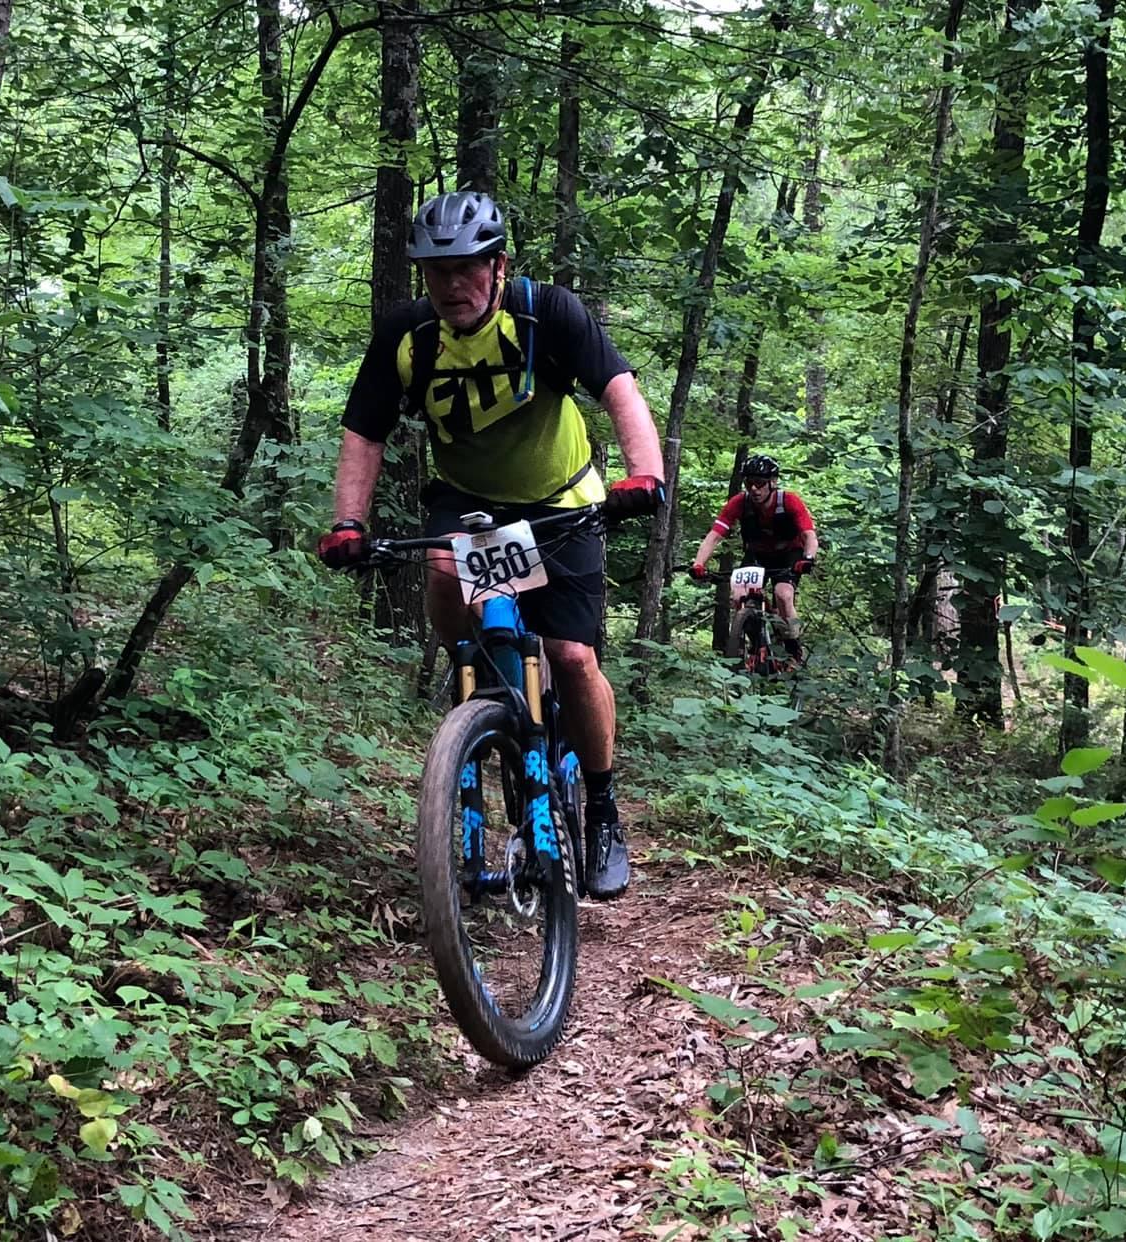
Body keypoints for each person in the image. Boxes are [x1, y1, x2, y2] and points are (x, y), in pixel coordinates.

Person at [315, 190, 665, 901]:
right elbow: (365, 432)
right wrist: (348, 523)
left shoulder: (547, 313)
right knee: (444, 573)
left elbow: (620, 390)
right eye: (435, 271)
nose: (451, 285)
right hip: (469, 501)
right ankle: (471, 683)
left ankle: (601, 810)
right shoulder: (407, 337)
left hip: (561, 500)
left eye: (467, 268)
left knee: (571, 656)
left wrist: (644, 477)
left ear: (498, 266)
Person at [689, 455, 819, 664]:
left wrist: (808, 558)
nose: (754, 489)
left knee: (783, 594)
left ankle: (794, 647)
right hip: (757, 555)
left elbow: (809, 536)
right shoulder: (740, 503)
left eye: (759, 483)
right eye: (749, 483)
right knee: (738, 595)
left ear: (772, 483)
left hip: (788, 555)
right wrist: (698, 564)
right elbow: (714, 536)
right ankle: (751, 640)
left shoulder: (789, 501)